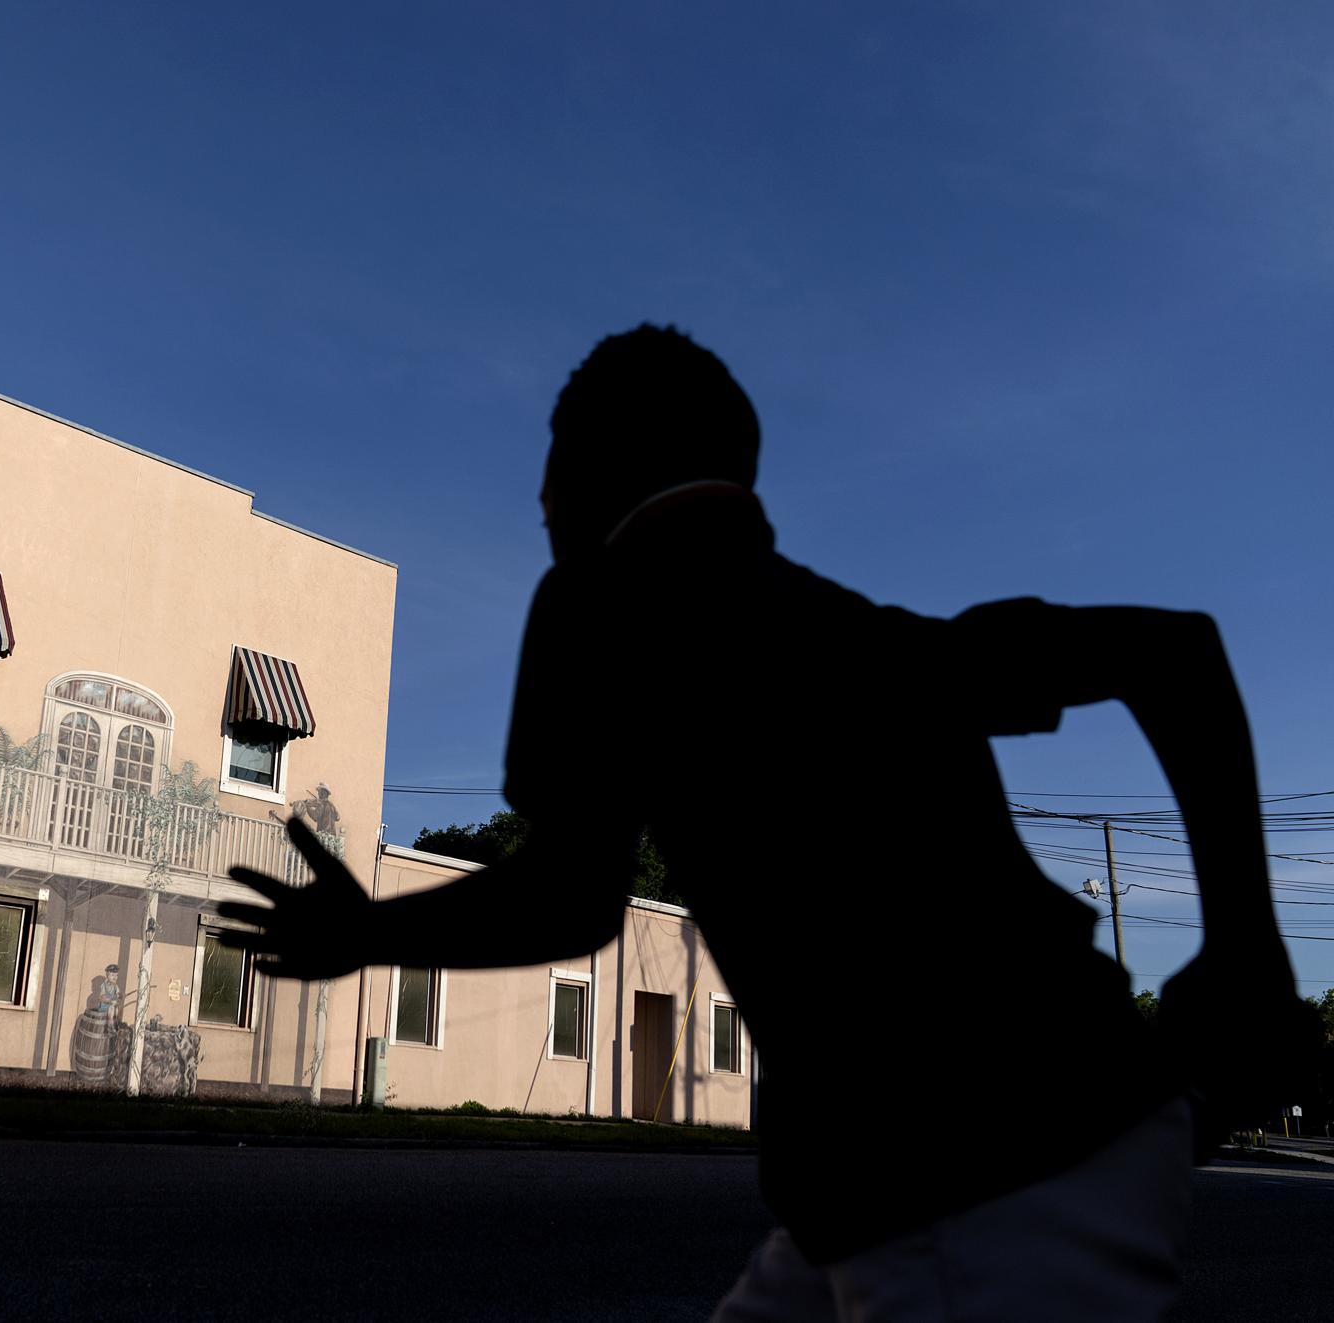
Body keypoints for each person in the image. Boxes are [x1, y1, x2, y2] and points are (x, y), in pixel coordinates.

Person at [222, 325, 1315, 1320]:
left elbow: (567, 894)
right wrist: (1245, 942)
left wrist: (368, 932)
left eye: (552, 460)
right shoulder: (875, 642)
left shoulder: (600, 602)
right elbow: (1175, 650)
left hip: (972, 1188)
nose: (540, 499)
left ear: (602, 462)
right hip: (1033, 1133)